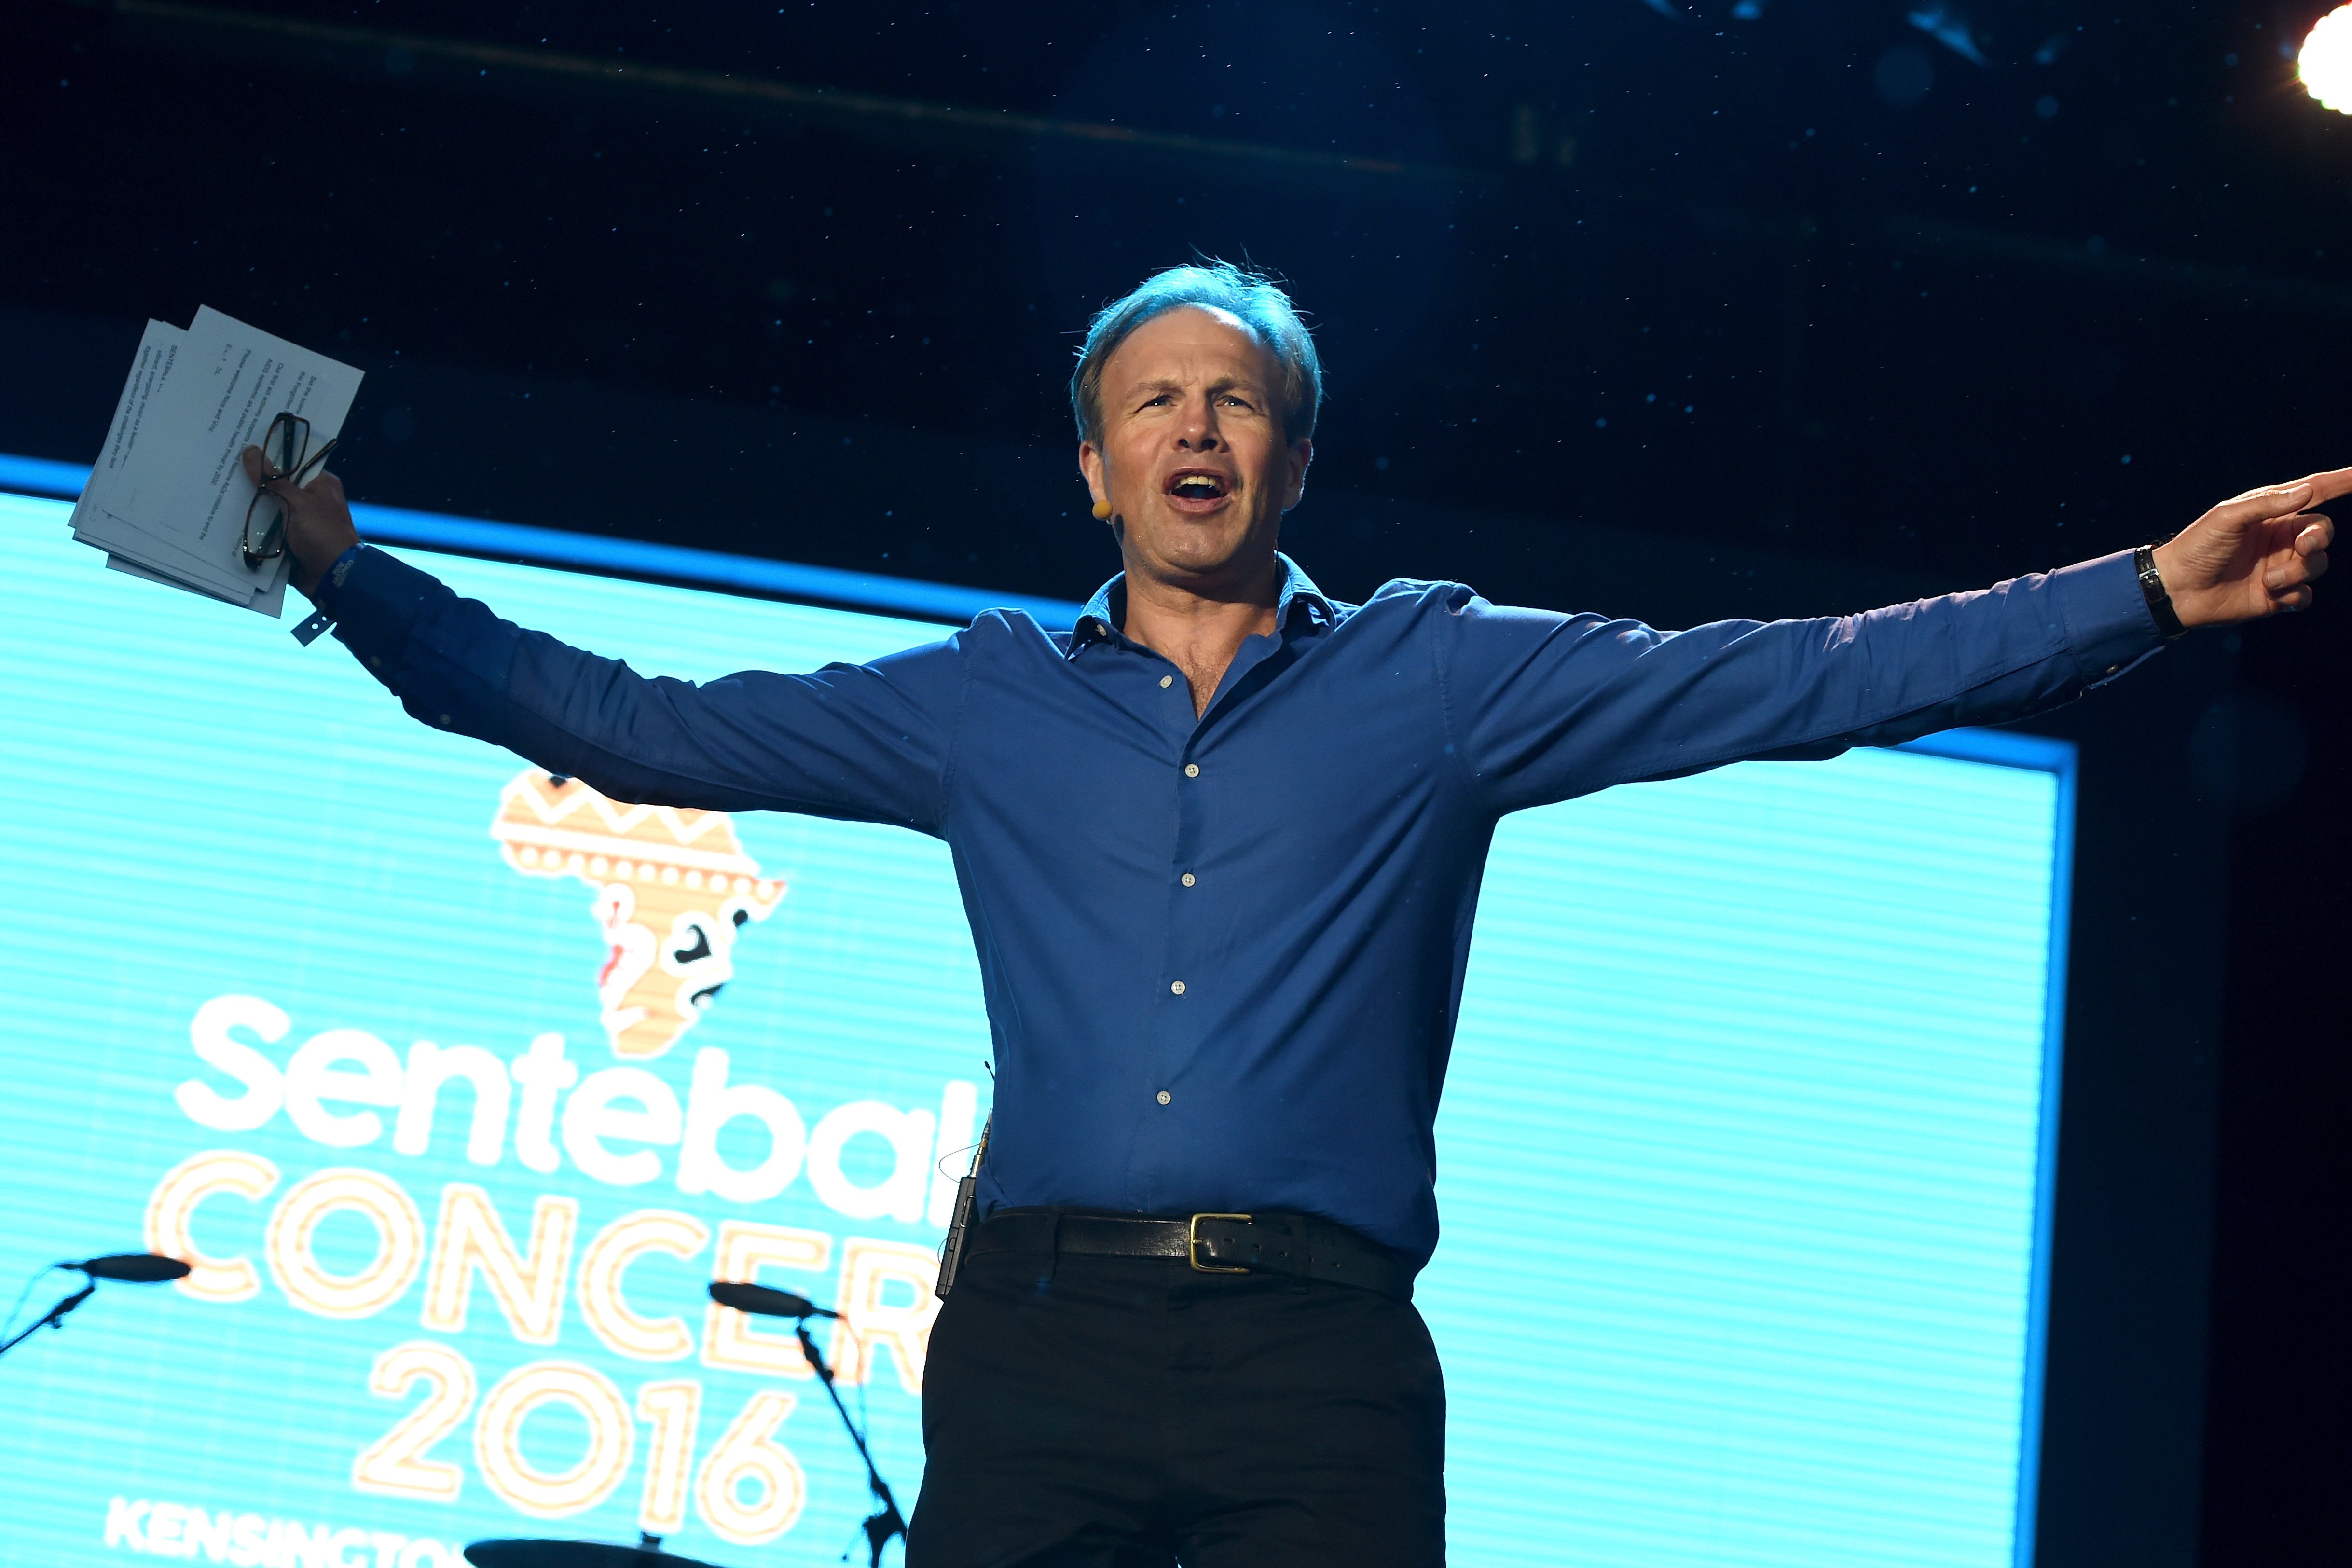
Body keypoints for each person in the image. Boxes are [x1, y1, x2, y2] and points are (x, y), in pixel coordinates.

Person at [248, 262, 2334, 1568]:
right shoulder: (984, 704)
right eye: (1152, 398)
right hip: (1038, 1348)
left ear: (1296, 458)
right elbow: (625, 728)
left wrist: (2140, 593)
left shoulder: (1436, 677)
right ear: (1091, 466)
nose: (1194, 426)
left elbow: (1784, 678)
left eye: (1234, 398)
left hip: (1316, 1355)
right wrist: (348, 575)